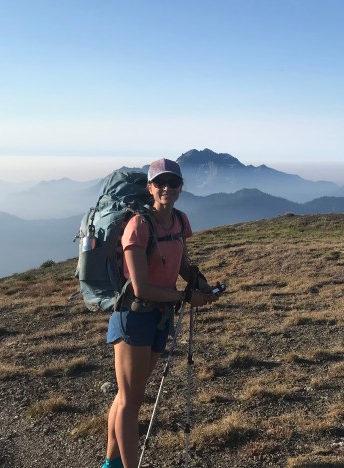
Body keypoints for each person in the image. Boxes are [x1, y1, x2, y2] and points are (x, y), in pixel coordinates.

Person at [101, 158, 218, 468]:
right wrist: (185, 296)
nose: (167, 188)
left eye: (173, 183)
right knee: (131, 401)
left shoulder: (179, 221)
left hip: (159, 317)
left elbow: (182, 264)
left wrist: (201, 284)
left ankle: (111, 463)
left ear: (181, 187)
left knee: (128, 395)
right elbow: (141, 288)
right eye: (160, 183)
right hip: (134, 317)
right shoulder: (138, 226)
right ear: (150, 187)